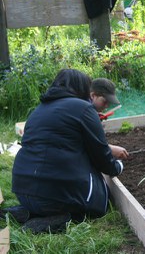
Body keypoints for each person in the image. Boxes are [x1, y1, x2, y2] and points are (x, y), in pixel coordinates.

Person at [11, 69, 125, 233]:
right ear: (83, 88)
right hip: (52, 196)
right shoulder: (84, 108)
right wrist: (117, 167)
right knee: (101, 201)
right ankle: (62, 219)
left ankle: (29, 212)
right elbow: (101, 156)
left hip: (22, 190)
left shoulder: (38, 110)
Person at [90, 78, 128, 159]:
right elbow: (88, 143)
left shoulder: (86, 112)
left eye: (109, 103)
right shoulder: (82, 114)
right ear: (93, 95)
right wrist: (110, 149)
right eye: (104, 101)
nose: (107, 106)